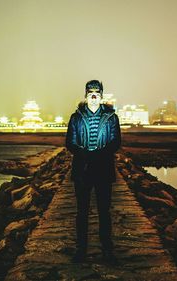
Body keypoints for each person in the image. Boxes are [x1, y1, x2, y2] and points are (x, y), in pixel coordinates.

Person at [65, 80, 121, 264]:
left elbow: (115, 142)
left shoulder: (112, 117)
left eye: (97, 93)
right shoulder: (76, 117)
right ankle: (81, 249)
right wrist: (85, 155)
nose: (94, 96)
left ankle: (107, 250)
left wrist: (98, 155)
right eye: (91, 93)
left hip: (103, 170)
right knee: (82, 212)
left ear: (102, 95)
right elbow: (70, 142)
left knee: (104, 212)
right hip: (82, 170)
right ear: (86, 95)